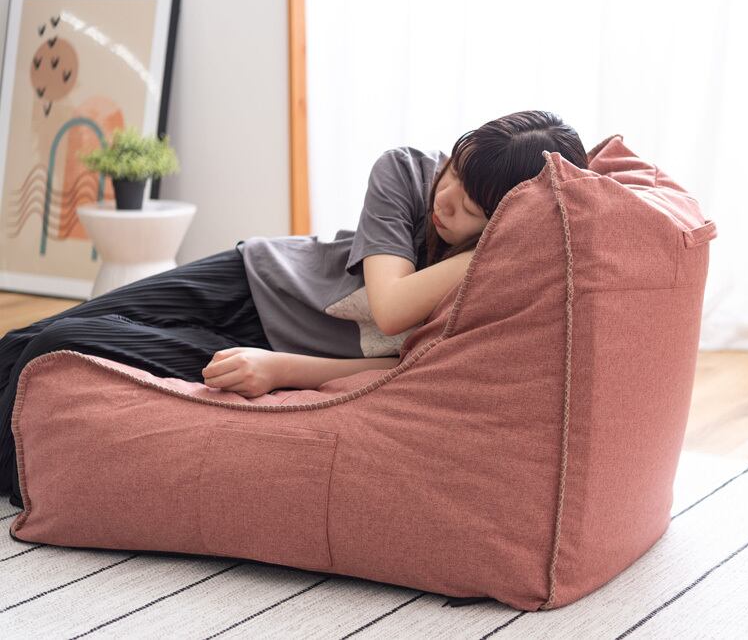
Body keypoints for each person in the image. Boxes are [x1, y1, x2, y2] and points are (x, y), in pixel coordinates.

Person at [0, 109, 588, 509]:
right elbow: (390, 308)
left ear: (508, 219)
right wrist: (484, 245)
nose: (447, 199)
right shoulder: (408, 171)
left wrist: (282, 369)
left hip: (271, 349)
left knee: (53, 346)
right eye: (455, 170)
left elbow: (410, 365)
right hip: (254, 277)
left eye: (474, 208)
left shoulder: (503, 277)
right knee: (17, 342)